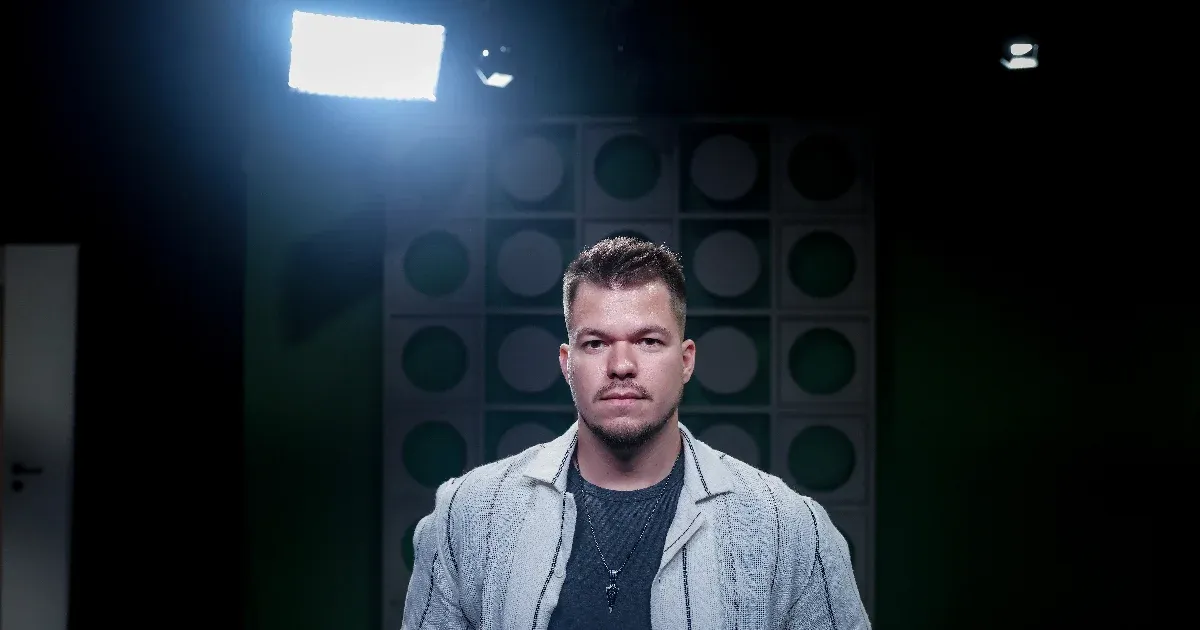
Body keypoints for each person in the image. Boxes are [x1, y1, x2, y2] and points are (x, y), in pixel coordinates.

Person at [402, 237, 870, 629]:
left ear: (685, 360)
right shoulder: (470, 514)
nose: (621, 365)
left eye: (648, 341)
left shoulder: (787, 528)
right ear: (567, 364)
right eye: (595, 343)